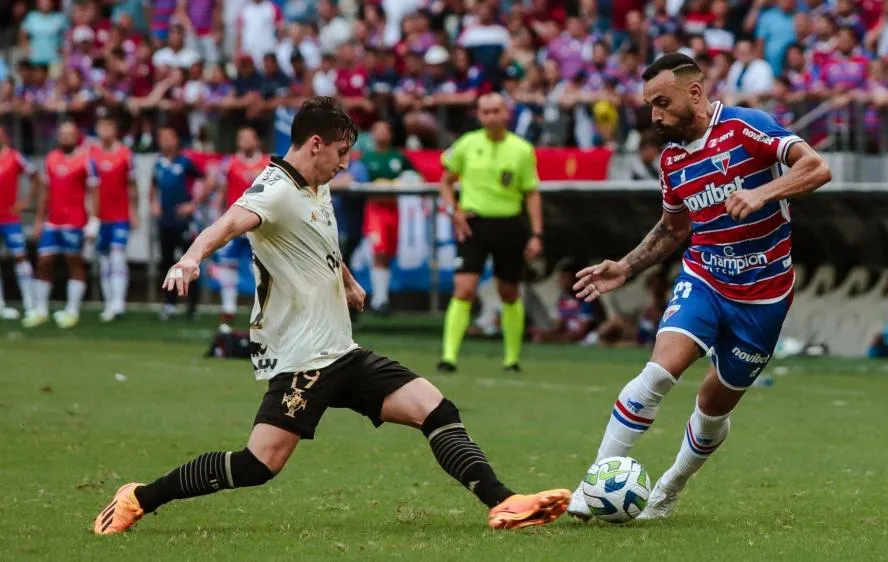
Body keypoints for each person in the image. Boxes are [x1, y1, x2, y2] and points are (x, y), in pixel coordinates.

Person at [92, 97, 569, 535]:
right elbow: (228, 223)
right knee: (258, 466)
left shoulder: (316, 184)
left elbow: (318, 239)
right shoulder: (274, 190)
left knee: (436, 409)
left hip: (342, 350)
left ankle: (504, 502)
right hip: (303, 360)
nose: (346, 161)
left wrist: (347, 280)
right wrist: (190, 258)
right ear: (315, 144)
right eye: (341, 151)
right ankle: (139, 497)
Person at [566, 53, 831, 521]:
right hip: (704, 278)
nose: (655, 115)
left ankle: (669, 488)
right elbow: (672, 228)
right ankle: (593, 484)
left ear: (694, 92)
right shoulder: (671, 160)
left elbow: (816, 167)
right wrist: (626, 266)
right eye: (649, 106)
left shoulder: (747, 127)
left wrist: (762, 192)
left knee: (711, 408)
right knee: (658, 373)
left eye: (662, 102)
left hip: (764, 295)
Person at [437, 93, 544, 373]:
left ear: (506, 113)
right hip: (474, 224)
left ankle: (512, 359)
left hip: (509, 224)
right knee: (464, 289)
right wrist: (454, 211)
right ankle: (448, 357)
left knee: (509, 291)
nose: (492, 116)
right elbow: (445, 181)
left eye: (496, 110)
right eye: (486, 112)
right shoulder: (467, 144)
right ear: (479, 115)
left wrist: (536, 233)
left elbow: (531, 193)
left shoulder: (522, 149)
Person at [24, 122, 98, 329]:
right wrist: (40, 219)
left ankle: (72, 310)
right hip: (53, 220)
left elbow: (94, 192)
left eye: (69, 134)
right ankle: (40, 310)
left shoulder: (86, 160)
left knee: (74, 262)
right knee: (44, 261)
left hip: (75, 220)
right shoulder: (51, 158)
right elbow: (45, 192)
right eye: (62, 134)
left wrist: (94, 220)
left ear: (76, 137)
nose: (65, 137)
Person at [201, 127, 270, 326]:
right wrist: (217, 218)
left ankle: (263, 311)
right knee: (227, 265)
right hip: (235, 224)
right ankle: (228, 309)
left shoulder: (268, 164)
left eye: (249, 137)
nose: (245, 141)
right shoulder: (229, 163)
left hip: (259, 224)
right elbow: (221, 192)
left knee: (262, 268)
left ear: (257, 141)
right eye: (241, 138)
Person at [361, 121, 417, 315]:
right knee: (379, 251)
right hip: (375, 210)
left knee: (389, 253)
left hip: (394, 209)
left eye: (385, 130)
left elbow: (416, 177)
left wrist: (402, 182)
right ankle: (379, 300)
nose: (381, 134)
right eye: (377, 130)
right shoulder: (366, 158)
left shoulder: (399, 157)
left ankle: (382, 298)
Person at [150, 126, 204, 320]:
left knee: (189, 261)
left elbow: (207, 179)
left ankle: (192, 306)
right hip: (165, 220)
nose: (165, 141)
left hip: (184, 221)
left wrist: (194, 203)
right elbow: (153, 186)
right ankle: (169, 304)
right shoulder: (158, 163)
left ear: (176, 140)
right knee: (167, 263)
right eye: (162, 137)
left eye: (168, 137)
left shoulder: (185, 161)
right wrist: (153, 203)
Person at [90, 116, 138, 322]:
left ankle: (119, 303)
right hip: (101, 216)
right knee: (104, 260)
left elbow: (132, 185)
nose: (106, 130)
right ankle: (109, 302)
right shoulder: (91, 155)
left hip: (120, 215)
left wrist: (133, 212)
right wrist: (92, 216)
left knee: (118, 255)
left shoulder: (125, 154)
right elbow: (90, 188)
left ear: (115, 129)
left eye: (109, 126)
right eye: (102, 126)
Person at [0, 127, 39, 320]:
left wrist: (26, 202)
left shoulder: (15, 157)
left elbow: (35, 177)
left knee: (21, 257)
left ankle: (30, 304)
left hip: (9, 217)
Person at [531, 263, 604, 344]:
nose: (560, 280)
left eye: (565, 277)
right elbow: (559, 326)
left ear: (576, 279)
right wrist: (545, 333)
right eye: (560, 277)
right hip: (568, 336)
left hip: (588, 338)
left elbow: (581, 332)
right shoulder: (563, 298)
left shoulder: (588, 298)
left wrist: (558, 338)